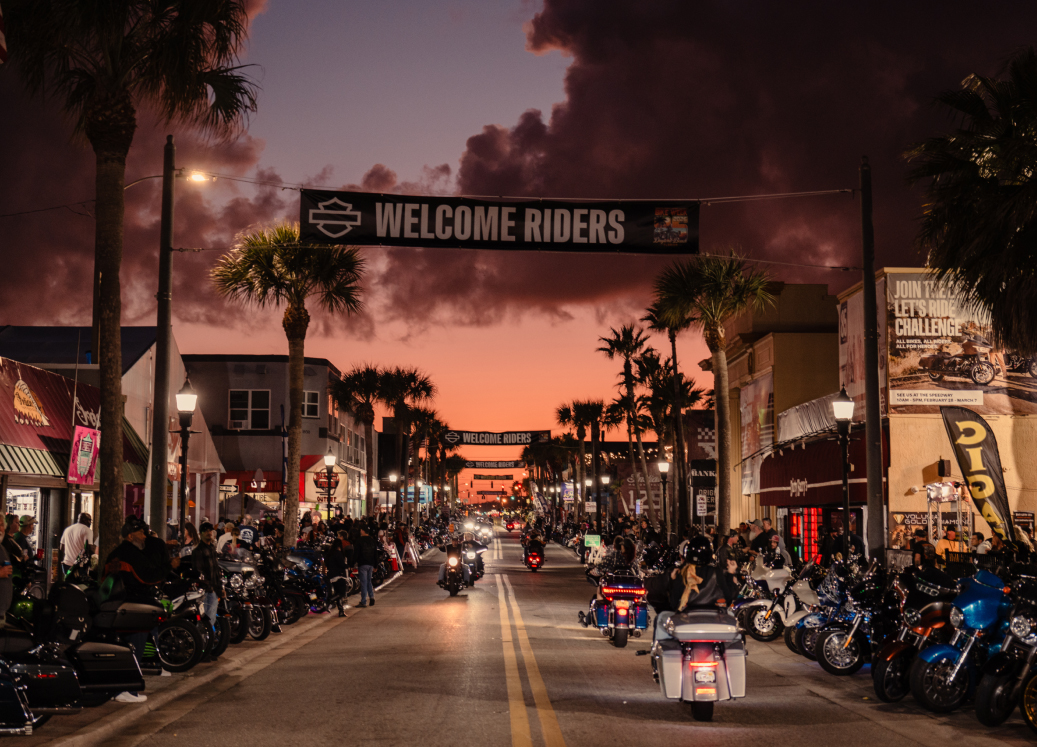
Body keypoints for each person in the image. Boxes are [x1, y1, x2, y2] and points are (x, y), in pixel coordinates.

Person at [191, 522, 224, 650]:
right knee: (205, 623)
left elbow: (216, 570)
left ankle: (208, 647)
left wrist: (219, 588)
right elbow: (198, 572)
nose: (209, 532)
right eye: (205, 531)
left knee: (211, 622)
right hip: (205, 591)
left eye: (210, 530)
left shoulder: (212, 548)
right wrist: (206, 588)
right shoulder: (198, 551)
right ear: (200, 533)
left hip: (213, 590)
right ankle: (203, 649)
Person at [60, 512, 94, 576]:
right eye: (89, 520)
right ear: (85, 520)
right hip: (79, 567)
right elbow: (89, 549)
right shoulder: (88, 531)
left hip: (66, 564)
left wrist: (71, 553)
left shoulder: (67, 529)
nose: (90, 523)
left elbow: (61, 547)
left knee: (69, 584)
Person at [355, 524, 378, 607]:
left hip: (363, 563)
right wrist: (376, 565)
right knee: (368, 581)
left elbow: (356, 553)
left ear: (362, 531)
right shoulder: (372, 541)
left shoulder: (359, 541)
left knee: (364, 582)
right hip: (371, 563)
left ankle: (363, 601)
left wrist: (352, 563)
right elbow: (376, 554)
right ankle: (371, 597)